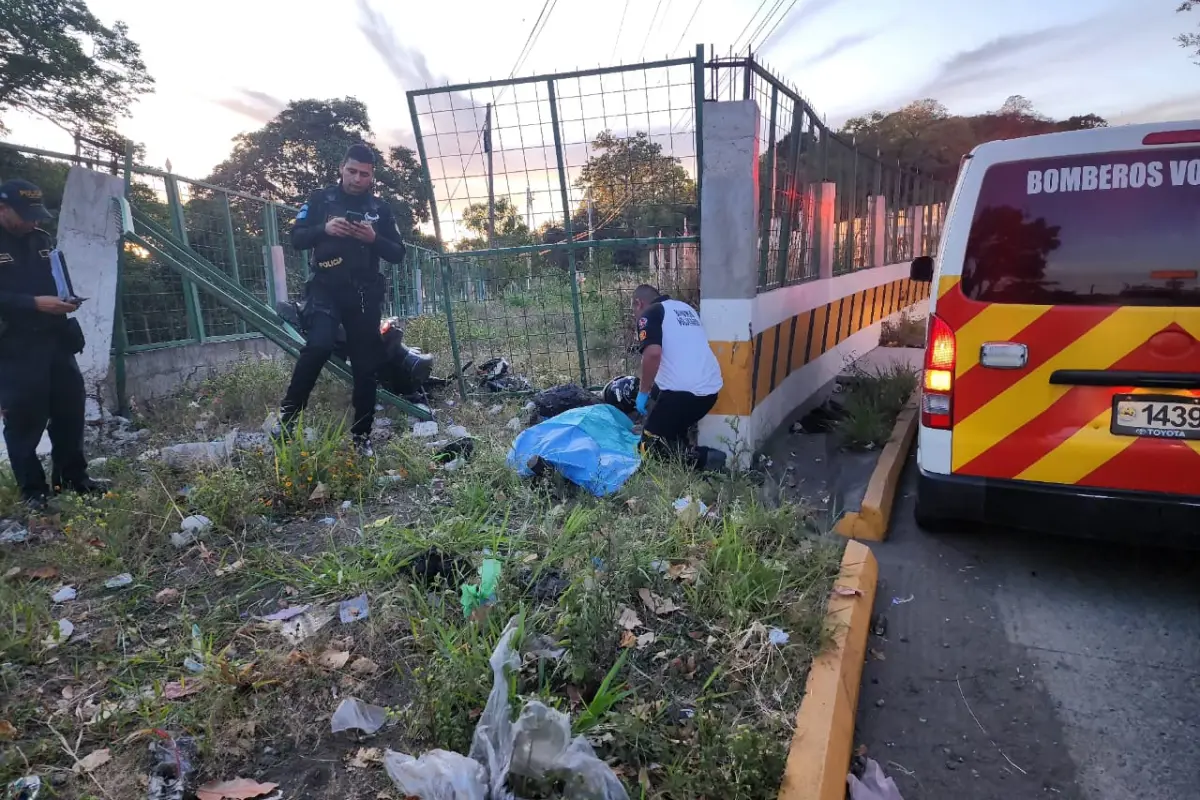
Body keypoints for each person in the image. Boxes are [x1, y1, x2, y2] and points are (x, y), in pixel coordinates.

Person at [278, 144, 406, 455]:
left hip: (363, 295)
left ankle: (362, 437)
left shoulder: (381, 209)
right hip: (326, 289)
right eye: (352, 171)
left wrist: (373, 239)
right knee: (318, 345)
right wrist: (325, 229)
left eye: (364, 174)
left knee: (366, 366)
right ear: (341, 168)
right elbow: (296, 238)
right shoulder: (321, 200)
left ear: (372, 176)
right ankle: (286, 421)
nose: (357, 179)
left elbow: (398, 252)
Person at [0, 179, 101, 510]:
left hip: (56, 340)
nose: (35, 221)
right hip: (15, 346)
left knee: (70, 409)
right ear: (3, 209)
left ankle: (74, 478)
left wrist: (68, 299)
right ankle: (33, 492)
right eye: (27, 214)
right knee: (24, 420)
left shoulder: (42, 240)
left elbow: (59, 280)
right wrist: (33, 304)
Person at [632, 284, 724, 464]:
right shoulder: (685, 309)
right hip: (710, 392)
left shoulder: (649, 314)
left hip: (682, 395)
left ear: (639, 303)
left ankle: (703, 459)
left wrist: (643, 392)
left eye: (633, 309)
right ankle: (673, 436)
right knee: (661, 402)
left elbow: (652, 354)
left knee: (647, 450)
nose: (635, 315)